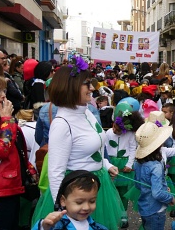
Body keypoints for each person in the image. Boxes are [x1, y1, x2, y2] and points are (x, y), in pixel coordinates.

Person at [32, 57, 124, 230]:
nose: (92, 88)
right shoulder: (62, 123)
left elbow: (92, 148)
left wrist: (105, 164)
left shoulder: (87, 113)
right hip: (77, 192)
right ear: (71, 86)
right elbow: (56, 171)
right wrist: (62, 211)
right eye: (86, 84)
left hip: (97, 187)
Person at [0, 71, 36, 230]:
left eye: (4, 91)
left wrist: (27, 167)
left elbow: (17, 146)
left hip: (11, 186)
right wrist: (7, 120)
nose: (3, 96)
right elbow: (0, 151)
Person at [104, 104, 143, 228]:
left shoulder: (130, 135)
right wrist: (108, 164)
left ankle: (123, 215)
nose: (115, 130)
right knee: (111, 191)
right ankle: (112, 215)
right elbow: (104, 150)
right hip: (111, 163)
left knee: (123, 192)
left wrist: (129, 164)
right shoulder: (107, 133)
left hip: (124, 164)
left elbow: (133, 149)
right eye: (114, 126)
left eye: (118, 130)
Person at [31, 170, 107, 230]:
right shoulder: (56, 225)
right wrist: (44, 227)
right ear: (63, 201)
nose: (86, 207)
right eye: (79, 202)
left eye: (92, 201)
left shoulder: (98, 227)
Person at [134, 121, 175, 230]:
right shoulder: (156, 166)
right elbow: (157, 193)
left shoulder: (137, 162)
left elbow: (138, 185)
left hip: (144, 207)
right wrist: (170, 198)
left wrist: (164, 187)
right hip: (156, 210)